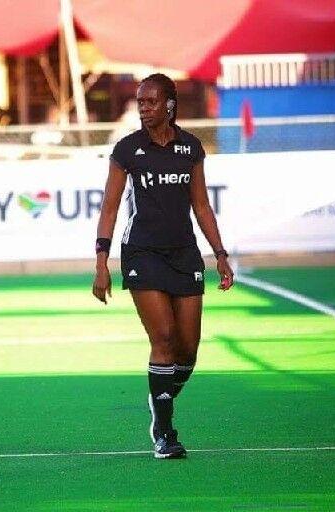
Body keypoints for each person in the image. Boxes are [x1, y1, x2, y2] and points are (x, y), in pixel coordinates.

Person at [92, 73, 234, 459]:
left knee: (188, 350)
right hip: (141, 254)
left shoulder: (190, 149)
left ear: (170, 105)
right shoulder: (127, 150)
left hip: (184, 254)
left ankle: (161, 398)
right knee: (165, 340)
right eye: (140, 102)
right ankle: (165, 431)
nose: (144, 108)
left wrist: (220, 254)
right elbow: (109, 206)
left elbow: (202, 206)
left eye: (151, 102)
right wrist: (101, 260)